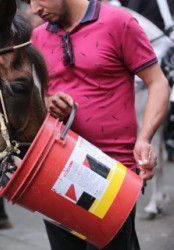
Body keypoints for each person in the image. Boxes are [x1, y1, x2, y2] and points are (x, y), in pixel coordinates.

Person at [25, 0, 170, 249]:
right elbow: (31, 97)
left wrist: (144, 138)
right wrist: (46, 102)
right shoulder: (37, 37)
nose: (34, 9)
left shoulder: (118, 22)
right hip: (57, 169)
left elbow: (158, 83)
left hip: (111, 172)